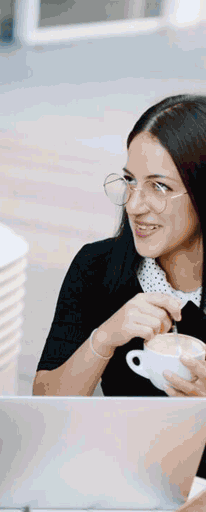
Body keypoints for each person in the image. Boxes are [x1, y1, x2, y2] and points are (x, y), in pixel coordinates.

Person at [34, 95, 206, 475]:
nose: (134, 205)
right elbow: (44, 406)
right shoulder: (96, 266)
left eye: (159, 187)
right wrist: (105, 337)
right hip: (120, 482)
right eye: (130, 181)